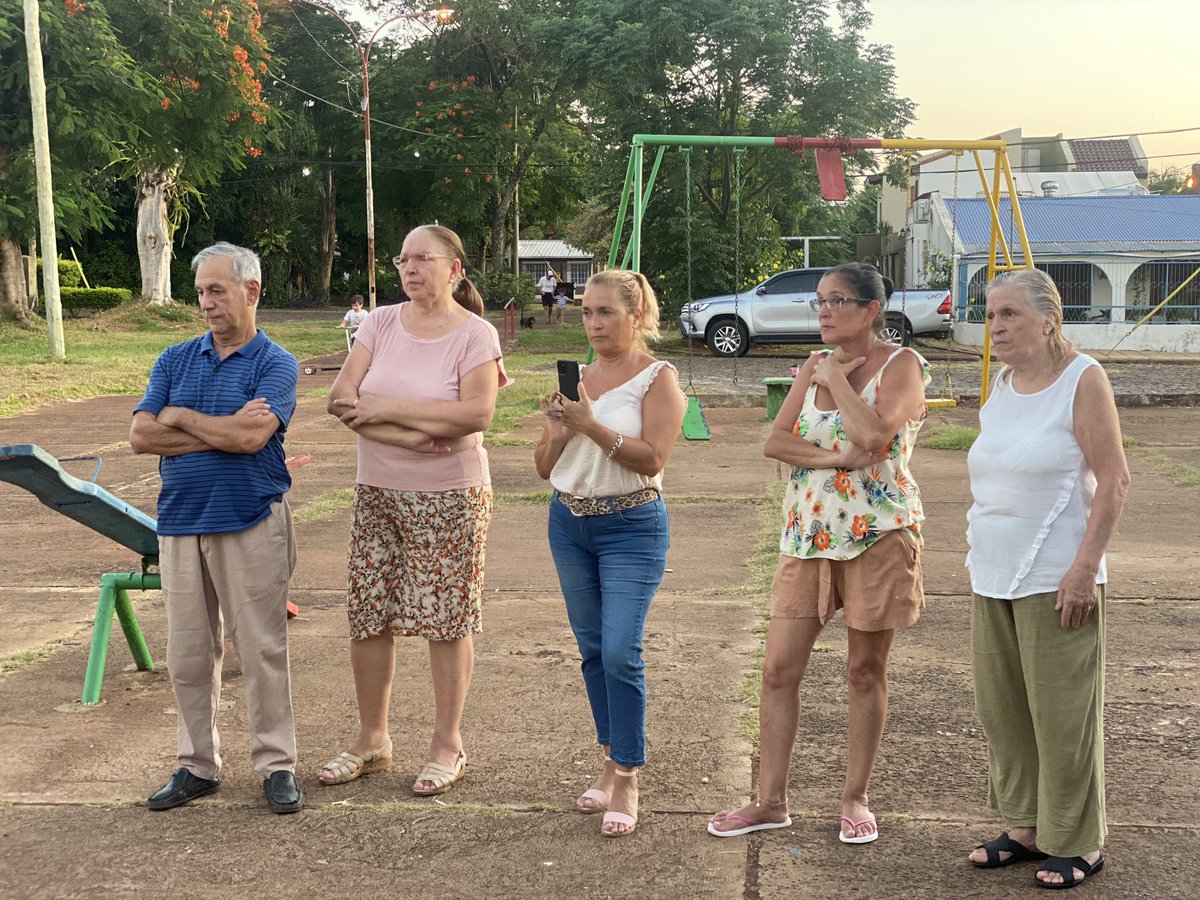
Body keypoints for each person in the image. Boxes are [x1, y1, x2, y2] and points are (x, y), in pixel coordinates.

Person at [708, 262, 930, 844]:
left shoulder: (903, 365)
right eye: (820, 301)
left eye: (836, 300)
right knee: (778, 669)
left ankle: (855, 798)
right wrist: (833, 457)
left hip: (879, 534)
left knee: (864, 671)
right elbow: (775, 442)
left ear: (871, 309)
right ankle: (770, 801)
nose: (824, 311)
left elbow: (875, 436)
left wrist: (836, 378)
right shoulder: (812, 366)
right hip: (808, 536)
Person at [320, 224, 508, 797]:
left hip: (451, 496)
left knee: (446, 618)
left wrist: (383, 408)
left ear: (455, 270)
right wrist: (415, 435)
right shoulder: (378, 323)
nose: (410, 268)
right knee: (369, 612)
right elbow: (341, 399)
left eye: (422, 258)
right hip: (377, 490)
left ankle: (447, 744)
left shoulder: (475, 334)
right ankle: (372, 739)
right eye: (403, 260)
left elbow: (475, 416)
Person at [965, 269, 1129, 889]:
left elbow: (1114, 479)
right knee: (1004, 712)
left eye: (1009, 313)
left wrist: (1084, 569)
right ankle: (1026, 827)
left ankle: (1079, 840)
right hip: (993, 570)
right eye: (990, 315)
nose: (996, 326)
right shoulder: (1003, 384)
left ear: (1049, 318)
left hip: (1056, 573)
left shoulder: (1082, 378)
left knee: (1063, 715)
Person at [130, 242, 303, 815]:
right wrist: (221, 430)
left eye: (217, 291)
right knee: (187, 654)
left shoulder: (274, 363)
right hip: (180, 522)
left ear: (251, 291)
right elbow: (141, 437)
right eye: (201, 291)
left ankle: (276, 764)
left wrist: (179, 417)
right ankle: (196, 765)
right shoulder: (174, 359)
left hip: (251, 518)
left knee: (261, 649)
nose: (206, 302)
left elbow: (252, 438)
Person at [534, 269, 687, 838]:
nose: (594, 324)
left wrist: (591, 425)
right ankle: (610, 756)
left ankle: (627, 775)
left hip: (631, 526)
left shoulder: (658, 379)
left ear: (635, 316)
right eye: (586, 313)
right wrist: (558, 430)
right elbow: (544, 468)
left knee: (622, 650)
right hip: (569, 523)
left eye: (605, 312)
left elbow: (652, 458)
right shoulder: (578, 381)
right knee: (594, 649)